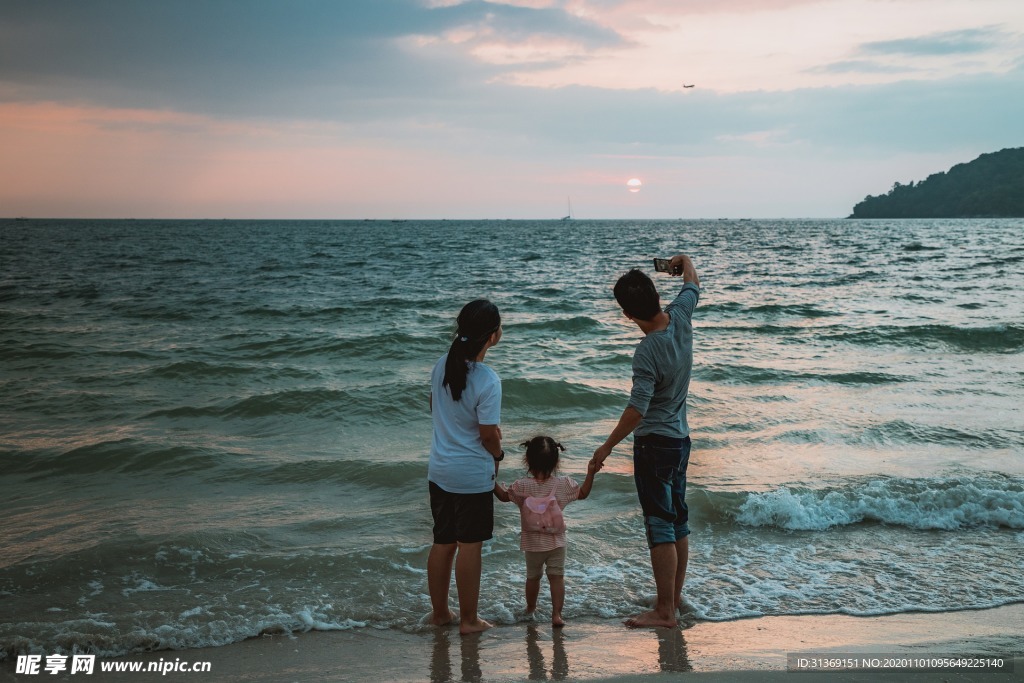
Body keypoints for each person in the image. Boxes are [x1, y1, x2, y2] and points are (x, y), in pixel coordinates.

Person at [590, 254, 700, 629]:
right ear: (656, 294)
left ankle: (665, 611)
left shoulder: (647, 350)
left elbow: (638, 408)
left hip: (654, 444)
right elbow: (691, 280)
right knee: (678, 521)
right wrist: (679, 262)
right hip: (681, 440)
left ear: (626, 314)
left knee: (660, 525)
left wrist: (606, 447)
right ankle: (672, 598)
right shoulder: (681, 316)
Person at [427, 299, 504, 635]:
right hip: (471, 475)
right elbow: (488, 435)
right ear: (492, 336)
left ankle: (441, 614)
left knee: (443, 542)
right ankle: (470, 621)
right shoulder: (488, 379)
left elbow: (433, 406)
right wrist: (499, 455)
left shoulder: (441, 365)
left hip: (439, 470)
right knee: (470, 546)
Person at [493, 436, 598, 627]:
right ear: (556, 461)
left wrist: (490, 477)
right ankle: (557, 615)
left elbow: (502, 496)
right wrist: (591, 472)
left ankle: (530, 609)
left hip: (533, 544)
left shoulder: (522, 485)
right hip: (557, 543)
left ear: (527, 460)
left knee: (533, 577)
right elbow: (583, 493)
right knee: (556, 577)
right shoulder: (563, 485)